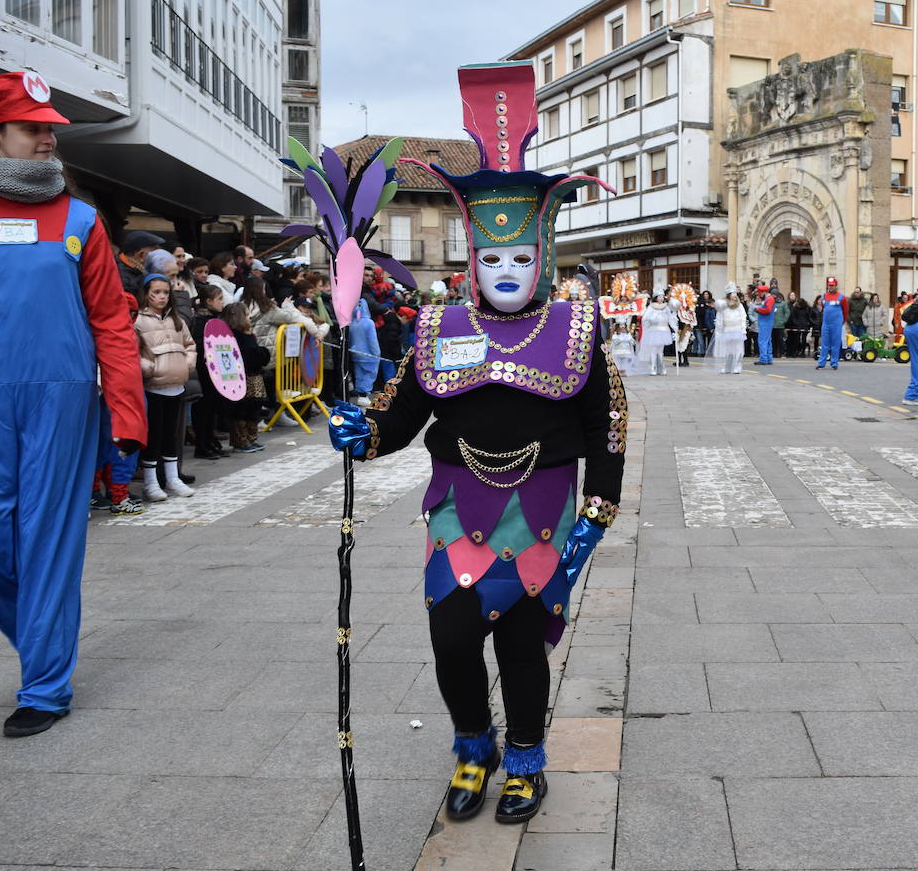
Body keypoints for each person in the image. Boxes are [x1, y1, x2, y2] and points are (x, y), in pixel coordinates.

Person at [328, 61, 624, 825]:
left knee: (523, 644)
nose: (506, 271)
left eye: (520, 257)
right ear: (471, 257)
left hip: (545, 505)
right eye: (492, 259)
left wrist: (597, 513)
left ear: (543, 254)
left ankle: (527, 758)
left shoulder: (577, 328)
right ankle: (473, 747)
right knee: (453, 637)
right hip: (458, 507)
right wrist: (362, 434)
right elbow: (402, 416)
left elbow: (606, 423)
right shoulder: (436, 328)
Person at [0, 72, 146, 737]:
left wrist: (127, 417)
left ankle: (45, 686)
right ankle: (44, 644)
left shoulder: (81, 220)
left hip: (64, 399)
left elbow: (111, 321)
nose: (47, 138)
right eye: (32, 127)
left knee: (48, 542)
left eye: (51, 128)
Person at [135, 273, 196, 500]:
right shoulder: (139, 320)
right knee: (154, 435)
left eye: (166, 292)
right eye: (156, 292)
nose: (162, 297)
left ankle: (172, 478)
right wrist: (148, 367)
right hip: (153, 386)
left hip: (177, 385)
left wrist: (188, 363)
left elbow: (190, 344)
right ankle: (150, 483)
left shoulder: (176, 319)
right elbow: (133, 350)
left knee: (171, 434)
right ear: (146, 293)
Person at [221, 302, 268, 453]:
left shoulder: (248, 334)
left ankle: (251, 437)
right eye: (246, 315)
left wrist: (261, 353)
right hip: (243, 377)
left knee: (254, 407)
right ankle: (241, 440)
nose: (249, 318)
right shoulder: (236, 336)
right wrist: (261, 353)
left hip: (255, 376)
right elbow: (248, 355)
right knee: (241, 408)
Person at [190, 283, 227, 459]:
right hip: (204, 371)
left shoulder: (216, 320)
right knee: (203, 409)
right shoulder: (200, 321)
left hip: (215, 371)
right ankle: (201, 444)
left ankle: (210, 440)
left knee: (212, 407)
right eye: (219, 299)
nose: (222, 302)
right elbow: (200, 347)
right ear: (208, 301)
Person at [637, 293, 677, 375]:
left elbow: (670, 318)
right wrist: (652, 320)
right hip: (654, 330)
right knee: (654, 350)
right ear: (656, 298)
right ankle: (653, 368)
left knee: (660, 350)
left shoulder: (666, 307)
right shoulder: (651, 307)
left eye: (662, 297)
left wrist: (674, 326)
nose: (661, 299)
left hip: (664, 330)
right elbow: (645, 318)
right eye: (659, 297)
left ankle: (661, 368)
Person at [815, 276, 848, 369]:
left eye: (832, 286)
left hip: (836, 323)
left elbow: (845, 311)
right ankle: (821, 363)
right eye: (829, 286)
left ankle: (834, 363)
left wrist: (842, 321)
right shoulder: (824, 296)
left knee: (835, 343)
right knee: (824, 343)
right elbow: (822, 308)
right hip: (826, 323)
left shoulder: (842, 297)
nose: (831, 287)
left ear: (836, 286)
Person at [117, 229, 165, 293]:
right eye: (155, 254)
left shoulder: (137, 271)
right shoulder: (125, 280)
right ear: (141, 254)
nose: (160, 258)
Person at [714, 289, 748, 374]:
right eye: (732, 294)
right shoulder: (724, 304)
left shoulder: (739, 305)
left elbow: (743, 316)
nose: (734, 296)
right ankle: (727, 367)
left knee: (738, 349)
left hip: (737, 330)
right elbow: (720, 317)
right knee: (727, 350)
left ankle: (737, 366)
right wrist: (719, 329)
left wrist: (743, 329)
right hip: (727, 330)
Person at [752, 282, 777, 365]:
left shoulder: (769, 299)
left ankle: (763, 359)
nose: (759, 295)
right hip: (766, 322)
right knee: (767, 341)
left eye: (759, 293)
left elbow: (768, 310)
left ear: (763, 292)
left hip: (765, 323)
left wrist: (758, 309)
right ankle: (769, 358)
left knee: (762, 340)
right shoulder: (768, 299)